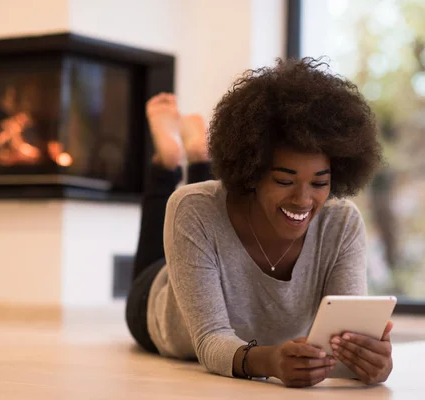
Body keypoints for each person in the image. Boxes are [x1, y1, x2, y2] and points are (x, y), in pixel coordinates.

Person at [125, 58, 393, 388]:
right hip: (159, 308)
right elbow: (210, 340)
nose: (303, 199)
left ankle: (196, 153)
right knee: (176, 219)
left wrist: (372, 362)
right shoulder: (193, 209)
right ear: (252, 172)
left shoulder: (342, 225)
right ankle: (167, 163)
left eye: (320, 183)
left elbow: (342, 341)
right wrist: (268, 361)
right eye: (284, 181)